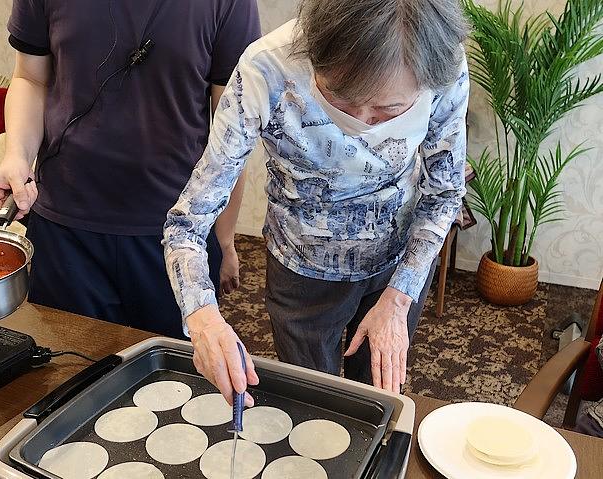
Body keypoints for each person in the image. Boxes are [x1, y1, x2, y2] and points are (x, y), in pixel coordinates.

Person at [164, 0, 469, 405]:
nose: (362, 120)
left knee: (376, 400)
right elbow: (187, 224)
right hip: (301, 270)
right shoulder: (267, 68)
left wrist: (399, 298)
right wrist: (201, 316)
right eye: (340, 100)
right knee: (313, 406)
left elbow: (444, 192)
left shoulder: (441, 63)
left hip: (399, 264)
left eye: (389, 110)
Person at [0, 0, 260, 339]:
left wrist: (225, 239)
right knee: (71, 372)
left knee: (170, 380)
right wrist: (17, 156)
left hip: (176, 230)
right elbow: (30, 77)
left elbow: (232, 133)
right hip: (64, 228)